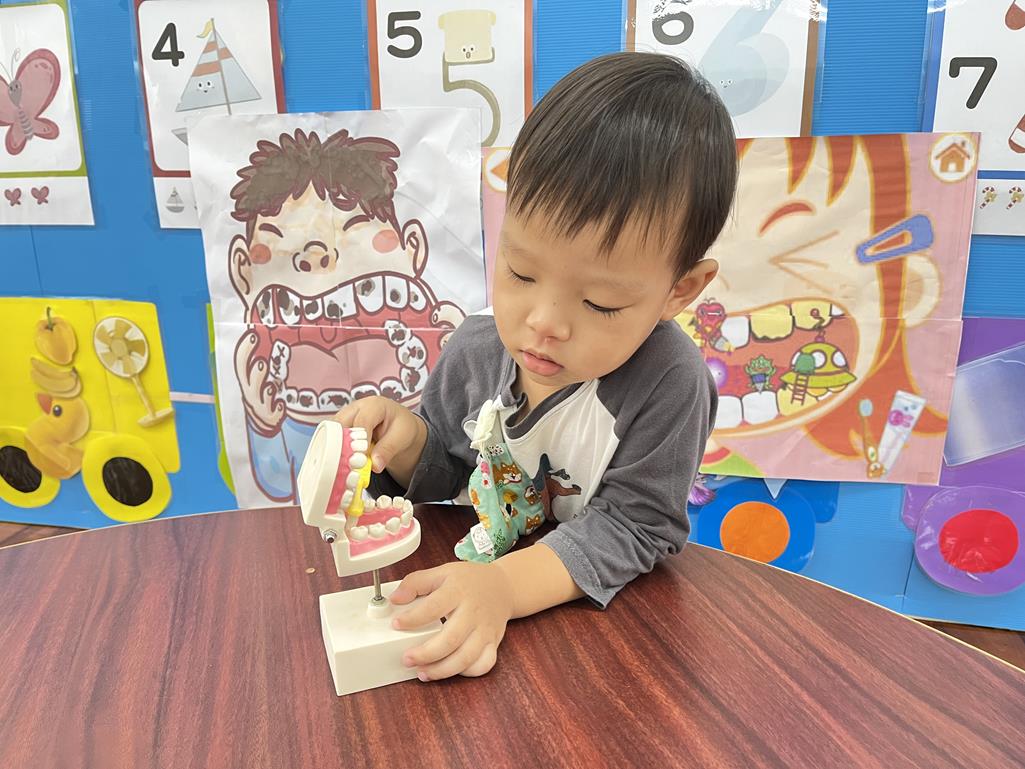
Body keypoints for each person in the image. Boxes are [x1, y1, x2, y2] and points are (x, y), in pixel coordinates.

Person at [333, 52, 737, 680]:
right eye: (521, 272)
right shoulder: (477, 349)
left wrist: (504, 588)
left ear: (678, 291)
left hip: (603, 639)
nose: (543, 322)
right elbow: (451, 472)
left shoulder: (669, 382)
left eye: (600, 303)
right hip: (477, 592)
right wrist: (406, 440)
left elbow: (637, 526)